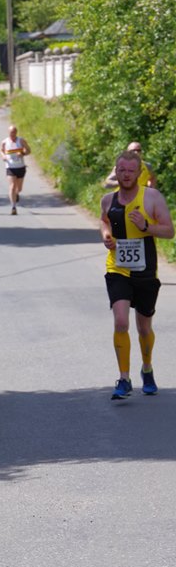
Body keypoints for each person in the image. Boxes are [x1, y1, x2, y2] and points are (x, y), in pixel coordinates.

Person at [100, 149, 174, 400]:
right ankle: (124, 378)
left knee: (144, 327)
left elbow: (168, 231)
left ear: (139, 173)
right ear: (116, 171)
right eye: (122, 170)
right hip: (117, 268)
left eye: (131, 171)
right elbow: (104, 221)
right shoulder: (108, 200)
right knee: (121, 321)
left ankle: (147, 369)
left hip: (145, 271)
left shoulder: (152, 197)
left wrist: (146, 226)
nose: (126, 174)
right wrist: (106, 237)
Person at [0, 125, 31, 215]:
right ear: (8, 132)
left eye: (14, 132)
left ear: (16, 132)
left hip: (20, 167)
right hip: (10, 167)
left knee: (19, 188)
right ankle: (13, 207)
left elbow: (29, 150)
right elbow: (1, 150)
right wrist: (3, 156)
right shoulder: (4, 142)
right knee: (12, 186)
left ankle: (16, 194)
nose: (12, 134)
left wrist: (22, 153)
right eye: (11, 132)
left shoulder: (21, 141)